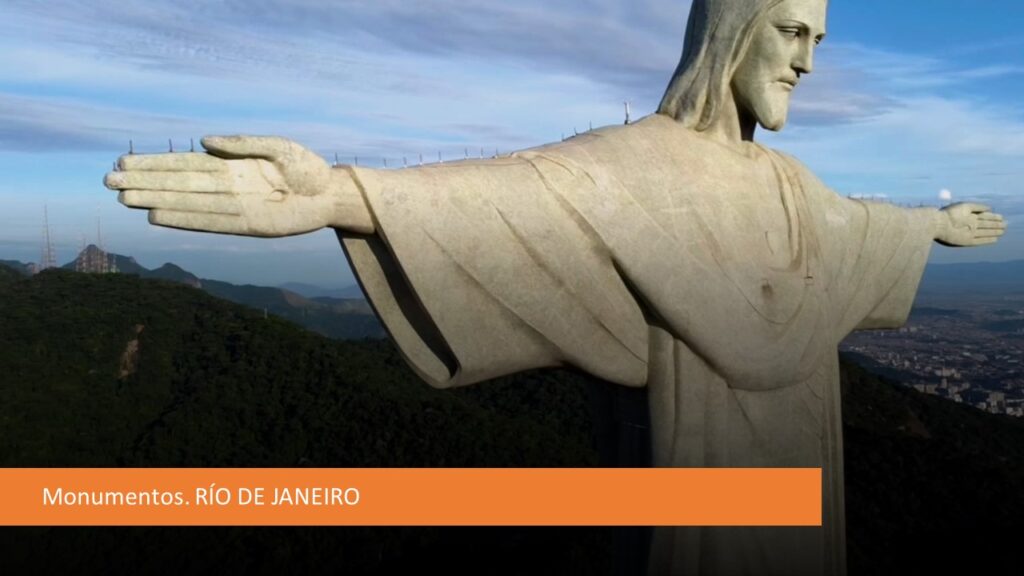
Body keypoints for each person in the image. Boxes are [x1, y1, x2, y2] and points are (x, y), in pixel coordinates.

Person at [104, 0, 1006, 573]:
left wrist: (930, 224)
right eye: (793, 31)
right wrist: (339, 194)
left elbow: (858, 225)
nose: (809, 60)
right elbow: (508, 196)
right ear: (733, 26)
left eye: (820, 40)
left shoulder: (792, 186)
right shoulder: (628, 167)